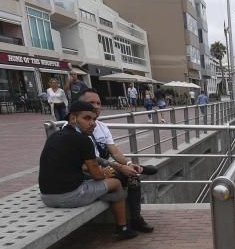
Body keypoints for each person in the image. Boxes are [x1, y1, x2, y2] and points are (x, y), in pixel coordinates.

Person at [39, 101, 137, 240]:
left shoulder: (56, 136)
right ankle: (122, 228)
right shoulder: (83, 140)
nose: (93, 123)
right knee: (115, 183)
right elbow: (97, 175)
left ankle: (104, 199)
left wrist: (113, 167)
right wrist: (105, 173)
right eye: (87, 118)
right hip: (69, 196)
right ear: (73, 118)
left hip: (46, 196)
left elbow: (78, 164)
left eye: (94, 119)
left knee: (95, 181)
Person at [78, 89, 155, 233]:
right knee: (128, 177)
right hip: (87, 173)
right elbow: (85, 163)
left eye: (98, 103)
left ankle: (135, 219)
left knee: (132, 176)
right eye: (91, 103)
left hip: (103, 168)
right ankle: (125, 225)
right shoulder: (74, 130)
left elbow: (114, 151)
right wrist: (119, 168)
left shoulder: (102, 127)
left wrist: (127, 164)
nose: (96, 106)